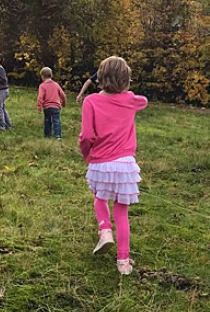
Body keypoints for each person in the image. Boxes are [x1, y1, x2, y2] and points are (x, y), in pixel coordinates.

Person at [79, 56, 148, 275]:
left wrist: (86, 154)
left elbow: (86, 136)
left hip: (100, 162)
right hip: (125, 164)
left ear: (100, 77)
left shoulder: (90, 102)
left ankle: (105, 230)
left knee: (100, 198)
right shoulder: (131, 100)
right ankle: (123, 261)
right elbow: (143, 100)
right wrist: (127, 94)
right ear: (126, 79)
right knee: (122, 211)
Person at [37, 67, 67, 139]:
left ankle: (47, 135)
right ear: (51, 75)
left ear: (42, 76)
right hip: (56, 106)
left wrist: (39, 106)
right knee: (56, 121)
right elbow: (63, 95)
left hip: (47, 107)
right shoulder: (56, 84)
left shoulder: (42, 86)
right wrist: (63, 103)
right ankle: (57, 136)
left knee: (47, 121)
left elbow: (40, 97)